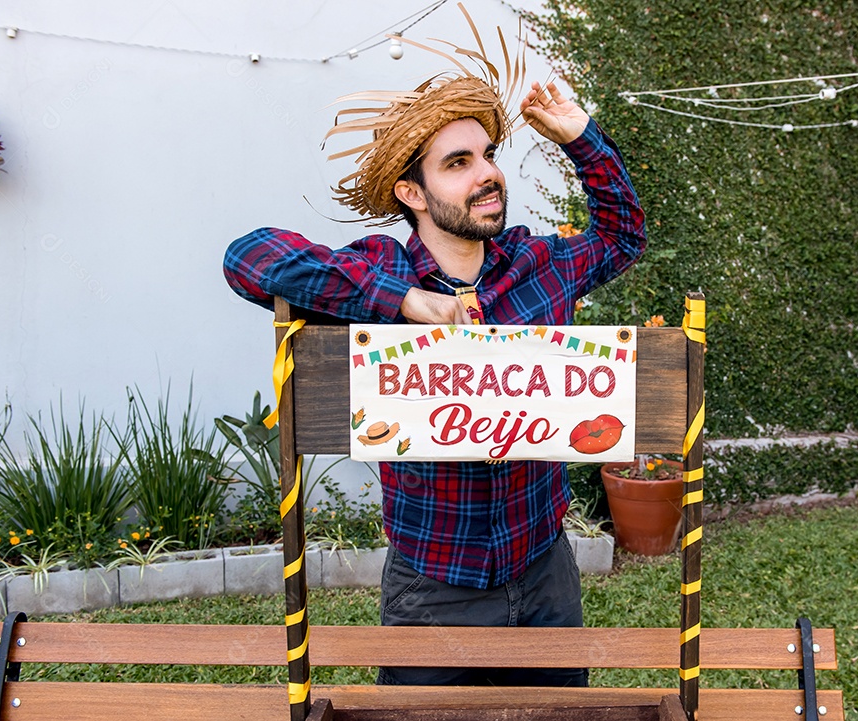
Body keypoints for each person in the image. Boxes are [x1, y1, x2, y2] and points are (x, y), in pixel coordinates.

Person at [223, 43, 645, 687]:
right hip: (432, 586)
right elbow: (248, 258)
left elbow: (623, 236)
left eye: (489, 156)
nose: (487, 174)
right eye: (458, 163)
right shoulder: (377, 272)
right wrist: (400, 301)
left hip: (546, 574)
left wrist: (580, 137)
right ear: (410, 192)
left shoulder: (539, 265)